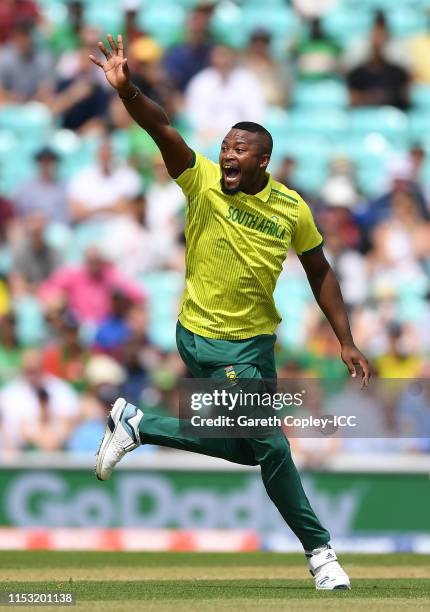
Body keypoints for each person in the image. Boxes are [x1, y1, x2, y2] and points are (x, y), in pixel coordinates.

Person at [90, 34, 370, 590]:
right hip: (206, 337)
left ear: (263, 160)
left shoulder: (291, 206)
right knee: (270, 440)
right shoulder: (200, 183)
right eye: (223, 147)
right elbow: (161, 128)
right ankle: (321, 554)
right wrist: (129, 94)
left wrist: (345, 337)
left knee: (249, 447)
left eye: (238, 150)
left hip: (256, 343)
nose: (226, 156)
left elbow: (320, 271)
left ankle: (140, 424)